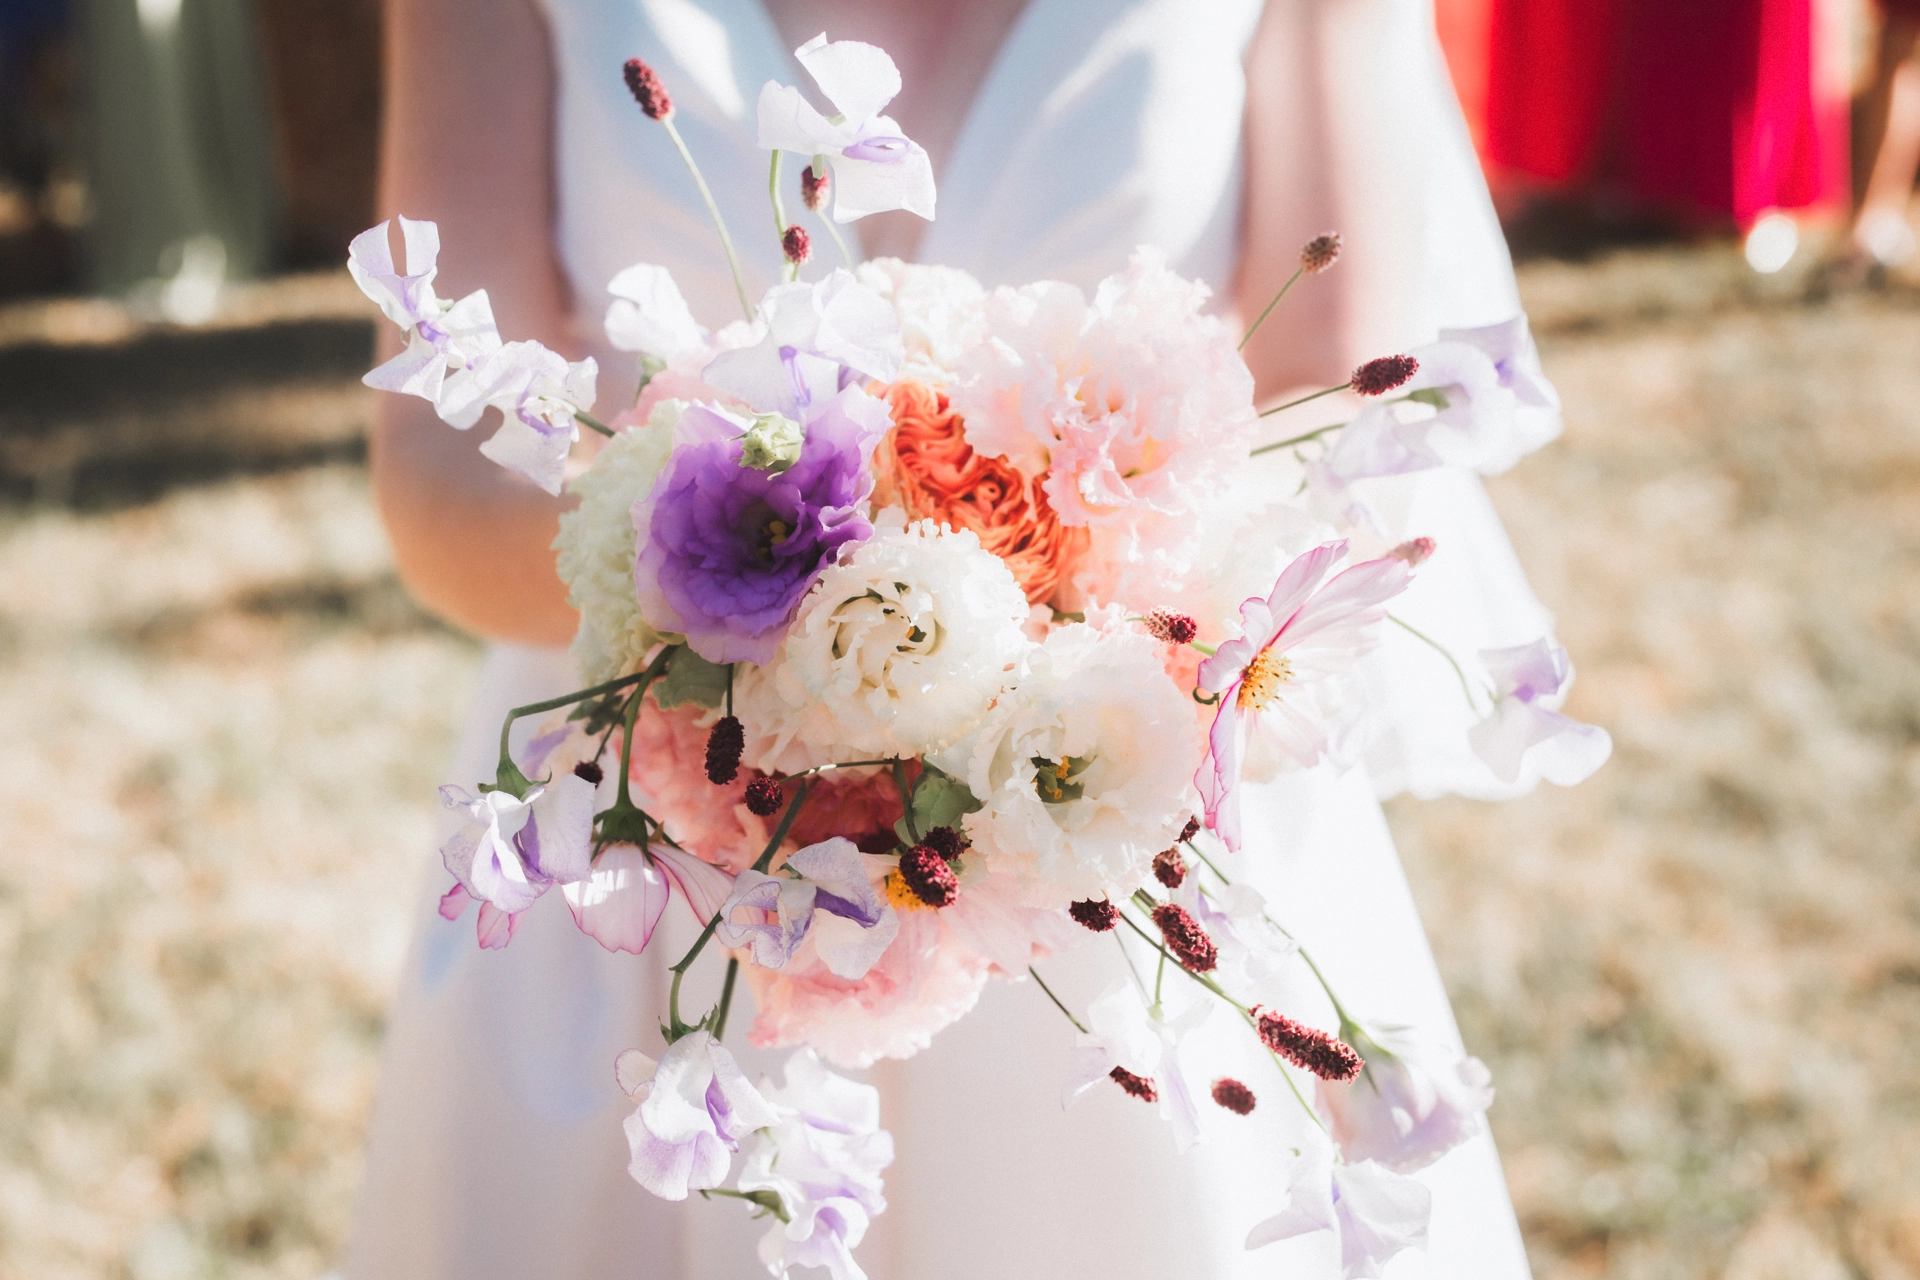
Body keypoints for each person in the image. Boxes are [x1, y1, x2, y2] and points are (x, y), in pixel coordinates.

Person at [346, 1, 1552, 1276]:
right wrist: (760, 602)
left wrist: (1021, 633)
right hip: (654, 880)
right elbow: (435, 468)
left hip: (1125, 837)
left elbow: (1355, 410)